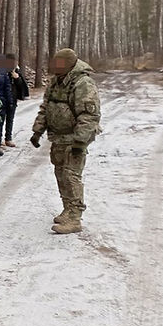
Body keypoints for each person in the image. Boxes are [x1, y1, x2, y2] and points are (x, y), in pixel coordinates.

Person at [31, 48, 102, 234]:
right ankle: (67, 209)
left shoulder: (83, 83)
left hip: (74, 138)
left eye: (60, 63)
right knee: (60, 174)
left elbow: (89, 116)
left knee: (71, 176)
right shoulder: (56, 82)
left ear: (69, 64)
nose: (56, 66)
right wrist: (38, 130)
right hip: (58, 137)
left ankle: (75, 218)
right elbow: (46, 107)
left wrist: (80, 141)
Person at [4, 53, 29, 147]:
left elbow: (22, 87)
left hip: (13, 99)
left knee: (10, 119)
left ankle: (8, 138)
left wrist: (17, 78)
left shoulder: (17, 71)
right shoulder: (3, 71)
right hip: (3, 99)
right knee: (0, 121)